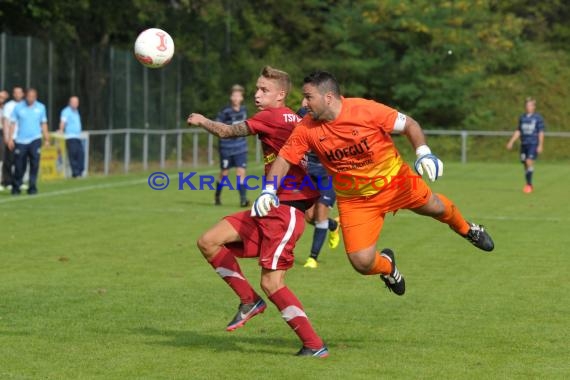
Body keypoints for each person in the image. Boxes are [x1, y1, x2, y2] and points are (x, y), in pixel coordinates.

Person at [252, 71, 495, 297]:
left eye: (308, 97)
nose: (303, 104)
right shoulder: (306, 128)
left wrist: (424, 153)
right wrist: (269, 190)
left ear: (328, 97)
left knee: (438, 209)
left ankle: (468, 229)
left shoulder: (364, 110)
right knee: (361, 263)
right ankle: (388, 268)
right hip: (355, 201)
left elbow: (409, 124)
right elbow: (284, 158)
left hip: (396, 182)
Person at [187, 66, 328, 358]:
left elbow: (228, 131)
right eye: (256, 89)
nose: (257, 94)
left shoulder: (272, 116)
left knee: (272, 282)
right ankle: (249, 301)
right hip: (268, 206)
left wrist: (201, 120)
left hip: (285, 210)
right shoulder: (291, 115)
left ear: (280, 95)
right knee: (209, 241)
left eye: (264, 90)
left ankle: (314, 344)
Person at [297, 105, 340, 269]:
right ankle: (333, 225)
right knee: (309, 217)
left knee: (321, 211)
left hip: (327, 174)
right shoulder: (301, 119)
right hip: (309, 174)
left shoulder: (329, 121)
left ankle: (312, 258)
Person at [8, 88, 50, 195]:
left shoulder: (41, 107)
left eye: (33, 96)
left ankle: (32, 187)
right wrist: (10, 138)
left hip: (35, 139)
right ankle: (16, 187)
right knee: (19, 165)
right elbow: (12, 124)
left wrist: (46, 139)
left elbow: (44, 123)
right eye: (29, 96)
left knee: (34, 164)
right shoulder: (18, 107)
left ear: (36, 97)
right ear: (25, 96)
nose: (30, 98)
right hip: (21, 141)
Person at [214, 84, 249, 207]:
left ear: (242, 98)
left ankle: (243, 200)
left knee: (241, 173)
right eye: (234, 95)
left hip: (241, 147)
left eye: (238, 95)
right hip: (226, 148)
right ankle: (217, 196)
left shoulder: (244, 110)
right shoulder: (225, 111)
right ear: (231, 97)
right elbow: (217, 126)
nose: (236, 98)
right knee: (224, 175)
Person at [506, 97, 545, 193]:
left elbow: (541, 132)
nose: (528, 107)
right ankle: (528, 182)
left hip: (533, 143)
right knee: (525, 164)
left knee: (528, 161)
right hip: (524, 144)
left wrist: (540, 145)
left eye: (530, 105)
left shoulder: (538, 118)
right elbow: (518, 130)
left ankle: (529, 185)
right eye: (527, 105)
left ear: (534, 107)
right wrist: (511, 141)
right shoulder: (522, 117)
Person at [1, 86, 24, 192]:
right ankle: (7, 181)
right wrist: (7, 136)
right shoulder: (9, 106)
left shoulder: (26, 105)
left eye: (20, 93)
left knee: (21, 160)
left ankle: (19, 180)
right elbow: (5, 121)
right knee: (8, 160)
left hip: (23, 137)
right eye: (16, 93)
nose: (18, 95)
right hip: (11, 136)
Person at [58, 96, 84, 178]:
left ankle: (79, 172)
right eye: (74, 102)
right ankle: (76, 173)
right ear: (70, 102)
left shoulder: (76, 111)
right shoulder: (66, 111)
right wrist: (61, 129)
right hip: (70, 137)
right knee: (73, 155)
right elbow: (63, 121)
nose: (76, 104)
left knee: (81, 154)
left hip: (78, 136)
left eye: (77, 102)